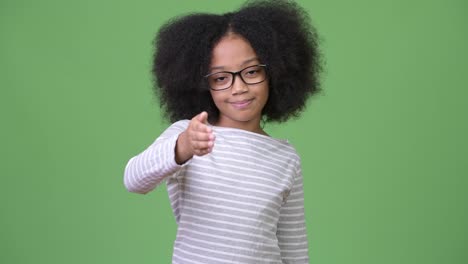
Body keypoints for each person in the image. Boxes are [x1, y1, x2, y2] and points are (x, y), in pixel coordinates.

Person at [124, 0, 321, 263]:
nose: (238, 87)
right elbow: (134, 180)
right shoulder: (188, 136)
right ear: (200, 84)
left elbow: (294, 249)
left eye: (251, 71)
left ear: (277, 72)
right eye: (220, 78)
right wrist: (183, 146)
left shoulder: (285, 158)